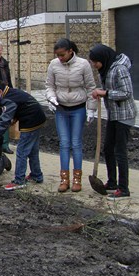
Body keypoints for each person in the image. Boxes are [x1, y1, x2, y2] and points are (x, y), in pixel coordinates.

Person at [46, 38, 97, 193]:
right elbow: (49, 85)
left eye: (62, 55)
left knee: (76, 143)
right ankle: (64, 179)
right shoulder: (53, 65)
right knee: (64, 143)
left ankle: (77, 179)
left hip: (78, 108)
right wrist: (51, 97)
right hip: (61, 108)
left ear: (70, 51)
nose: (60, 58)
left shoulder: (83, 64)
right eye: (57, 55)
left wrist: (91, 109)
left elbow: (90, 87)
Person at [89, 44, 137, 200]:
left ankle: (124, 189)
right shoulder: (107, 68)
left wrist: (104, 93)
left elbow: (126, 92)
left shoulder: (119, 69)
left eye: (96, 62)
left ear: (104, 58)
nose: (94, 65)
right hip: (114, 115)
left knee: (120, 152)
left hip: (124, 116)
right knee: (108, 148)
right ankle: (112, 183)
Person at [0, 79, 46, 191]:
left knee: (22, 151)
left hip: (31, 121)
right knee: (32, 150)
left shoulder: (7, 99)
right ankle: (36, 175)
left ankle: (19, 180)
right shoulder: (11, 93)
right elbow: (21, 105)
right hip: (38, 118)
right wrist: (16, 117)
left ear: (0, 92)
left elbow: (4, 121)